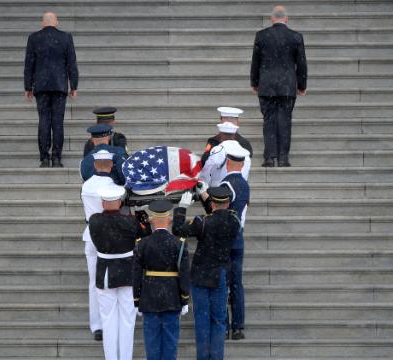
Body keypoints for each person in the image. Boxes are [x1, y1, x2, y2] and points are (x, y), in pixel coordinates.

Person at [172, 187, 241, 360]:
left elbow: (178, 229)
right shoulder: (234, 220)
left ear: (213, 203)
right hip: (221, 274)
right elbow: (219, 214)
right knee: (218, 321)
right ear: (228, 202)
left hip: (201, 275)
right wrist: (206, 197)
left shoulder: (202, 222)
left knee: (202, 322)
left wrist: (181, 208)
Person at [89, 185, 150, 360]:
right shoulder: (129, 221)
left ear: (102, 202)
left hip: (105, 273)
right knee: (127, 320)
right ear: (120, 201)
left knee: (108, 321)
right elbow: (145, 233)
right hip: (127, 273)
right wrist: (140, 214)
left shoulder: (94, 220)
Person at [250, 5, 307, 167]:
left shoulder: (261, 36)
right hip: (287, 86)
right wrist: (301, 85)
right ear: (286, 19)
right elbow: (301, 64)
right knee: (285, 120)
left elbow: (256, 62)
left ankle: (269, 157)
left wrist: (255, 82)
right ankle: (283, 158)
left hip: (266, 85)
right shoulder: (296, 37)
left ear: (271, 19)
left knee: (269, 120)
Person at [133, 200, 190, 360]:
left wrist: (136, 300)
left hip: (149, 298)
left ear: (152, 220)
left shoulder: (142, 243)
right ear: (169, 219)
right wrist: (185, 298)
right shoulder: (179, 243)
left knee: (152, 343)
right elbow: (184, 273)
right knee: (170, 342)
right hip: (172, 297)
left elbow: (136, 274)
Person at [24, 12, 79, 168]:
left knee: (43, 120)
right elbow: (72, 64)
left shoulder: (34, 38)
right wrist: (74, 86)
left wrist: (28, 86)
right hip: (59, 85)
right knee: (57, 122)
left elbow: (29, 64)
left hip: (41, 86)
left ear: (42, 23)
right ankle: (56, 158)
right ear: (57, 23)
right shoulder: (66, 38)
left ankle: (44, 158)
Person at [80, 150, 117, 341]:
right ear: (110, 166)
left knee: (95, 281)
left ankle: (98, 326)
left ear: (95, 165)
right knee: (114, 280)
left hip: (91, 236)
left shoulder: (86, 186)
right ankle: (112, 319)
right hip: (111, 236)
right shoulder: (115, 188)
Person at [218, 142, 250, 340]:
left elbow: (218, 210)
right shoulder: (245, 185)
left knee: (223, 283)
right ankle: (238, 326)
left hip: (224, 239)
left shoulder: (225, 185)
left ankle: (224, 325)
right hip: (238, 238)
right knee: (237, 283)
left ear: (228, 163)